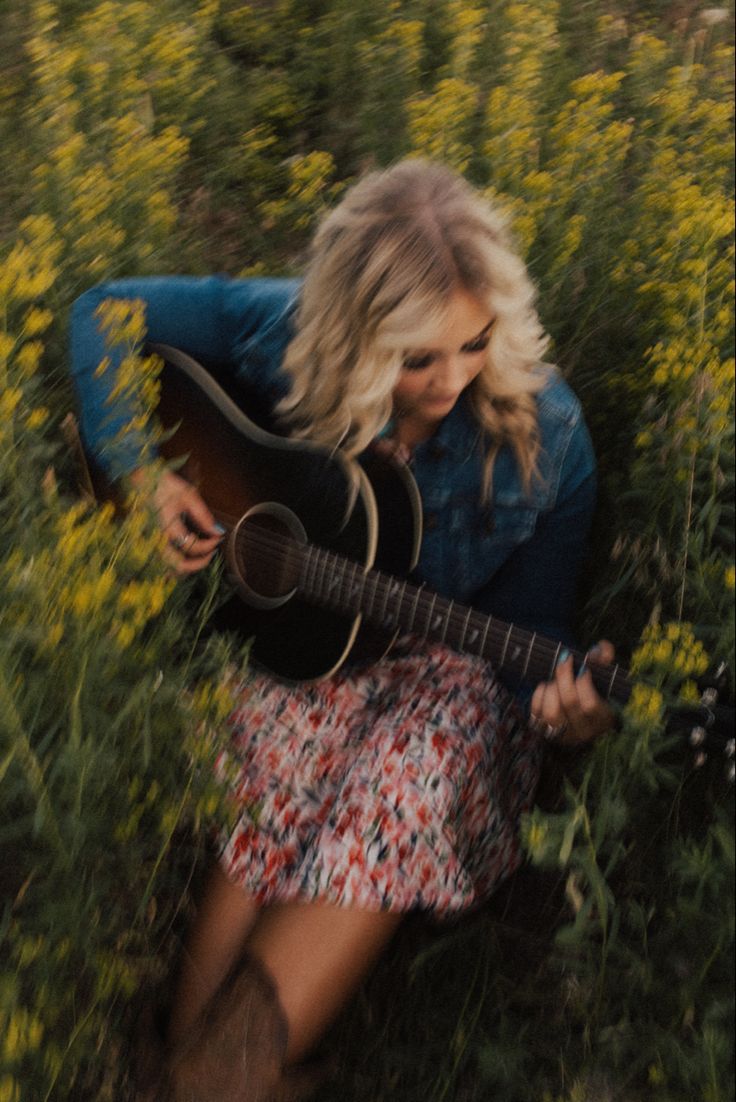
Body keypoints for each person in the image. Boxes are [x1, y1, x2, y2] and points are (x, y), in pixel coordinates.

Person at [69, 159, 615, 1101]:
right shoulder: (286, 328)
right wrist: (138, 467)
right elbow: (99, 314)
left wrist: (570, 713)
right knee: (281, 752)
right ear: (352, 333)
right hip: (312, 644)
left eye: (475, 342)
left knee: (401, 782)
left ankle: (198, 1078)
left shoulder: (548, 437)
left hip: (451, 672)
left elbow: (532, 633)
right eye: (416, 358)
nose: (451, 380)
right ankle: (213, 1074)